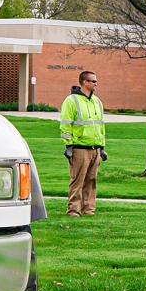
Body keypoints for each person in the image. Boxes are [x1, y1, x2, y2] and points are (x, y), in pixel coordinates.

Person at [59, 71, 106, 217]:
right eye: (93, 81)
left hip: (95, 148)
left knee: (91, 181)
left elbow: (101, 126)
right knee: (77, 181)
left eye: (96, 81)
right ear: (84, 82)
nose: (95, 84)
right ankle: (73, 210)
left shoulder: (97, 101)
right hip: (79, 148)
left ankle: (89, 209)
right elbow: (65, 125)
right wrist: (69, 146)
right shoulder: (71, 101)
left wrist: (102, 147)